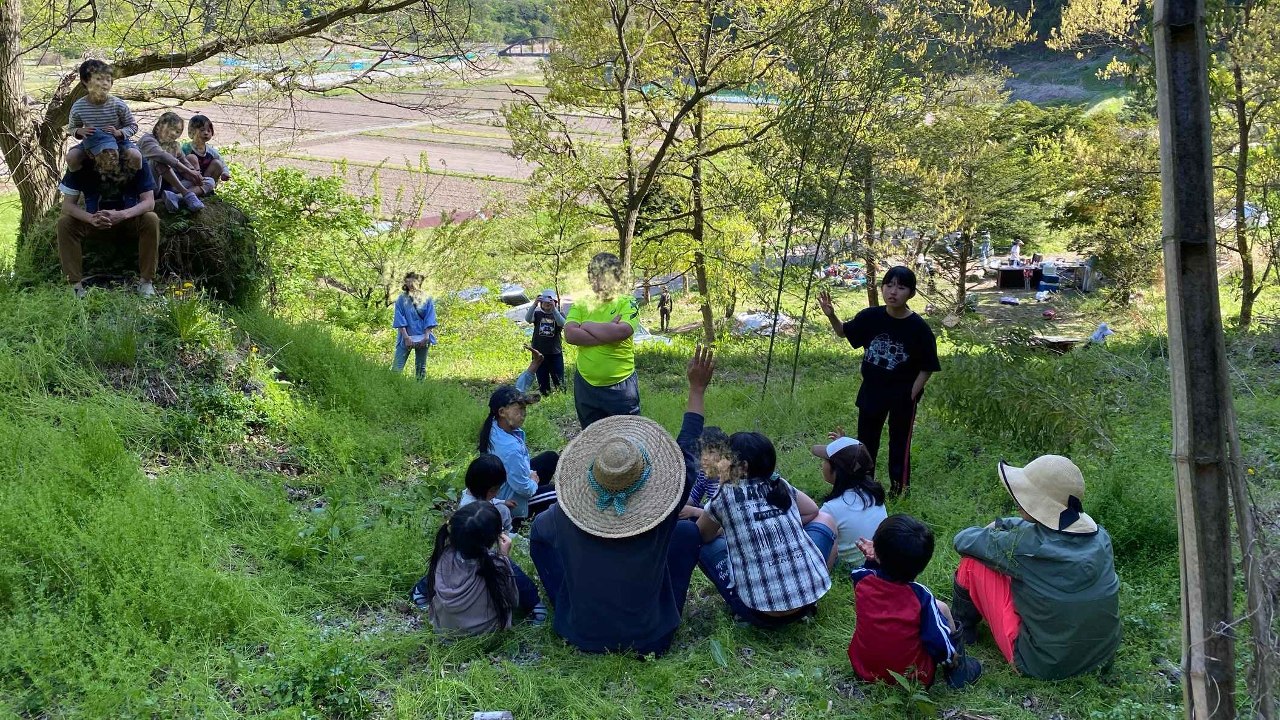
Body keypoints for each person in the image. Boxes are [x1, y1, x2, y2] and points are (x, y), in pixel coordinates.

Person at [529, 346, 714, 655]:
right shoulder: (666, 511)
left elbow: (538, 535)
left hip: (580, 634)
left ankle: (569, 606)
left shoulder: (563, 514)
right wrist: (696, 390)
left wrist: (563, 590)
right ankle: (666, 613)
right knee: (686, 533)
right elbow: (689, 451)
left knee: (543, 533)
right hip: (650, 640)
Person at [951, 456, 1121, 680]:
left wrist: (992, 531)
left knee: (971, 564)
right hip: (1101, 656)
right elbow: (1052, 527)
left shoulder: (1027, 546)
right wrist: (1008, 523)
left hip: (1041, 664)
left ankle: (963, 630)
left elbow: (963, 540)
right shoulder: (1101, 537)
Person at [818, 266, 940, 497]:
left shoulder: (919, 328)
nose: (893, 292)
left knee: (899, 444)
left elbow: (928, 366)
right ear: (882, 288)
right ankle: (865, 487)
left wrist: (912, 393)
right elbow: (843, 332)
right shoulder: (870, 317)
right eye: (889, 285)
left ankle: (899, 490)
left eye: (901, 287)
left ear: (911, 293)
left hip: (902, 395)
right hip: (872, 391)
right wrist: (831, 314)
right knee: (866, 443)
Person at [696, 432, 837, 628]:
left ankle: (741, 612)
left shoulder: (724, 495)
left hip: (758, 613)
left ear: (743, 466)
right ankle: (811, 587)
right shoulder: (779, 484)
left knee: (697, 543)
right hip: (806, 603)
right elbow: (813, 511)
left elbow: (702, 534)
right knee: (826, 519)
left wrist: (729, 531)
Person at [848, 515, 982, 688]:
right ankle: (958, 670)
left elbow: (866, 572)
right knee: (942, 608)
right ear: (922, 565)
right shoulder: (921, 596)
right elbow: (936, 638)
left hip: (864, 669)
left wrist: (873, 559)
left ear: (877, 554)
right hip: (911, 679)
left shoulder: (861, 579)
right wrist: (948, 655)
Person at [410, 502, 545, 635]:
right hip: (487, 632)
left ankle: (420, 592)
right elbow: (511, 598)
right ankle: (536, 606)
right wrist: (504, 557)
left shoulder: (444, 555)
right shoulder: (497, 564)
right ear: (494, 538)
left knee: (445, 570)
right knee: (509, 568)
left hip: (445, 630)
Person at [56, 136, 161, 298]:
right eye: (103, 153)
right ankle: (75, 285)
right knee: (65, 223)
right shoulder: (79, 167)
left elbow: (149, 202)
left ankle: (146, 282)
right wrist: (91, 219)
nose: (110, 156)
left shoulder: (135, 162)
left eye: (113, 150)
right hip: (95, 221)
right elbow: (67, 206)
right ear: (90, 154)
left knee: (151, 219)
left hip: (127, 219)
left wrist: (122, 214)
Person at [564, 252, 641, 428]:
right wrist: (607, 332)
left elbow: (622, 331)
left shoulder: (627, 302)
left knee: (628, 436)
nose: (598, 282)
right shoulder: (582, 304)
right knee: (592, 437)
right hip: (586, 385)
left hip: (621, 386)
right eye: (594, 276)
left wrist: (587, 325)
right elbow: (570, 334)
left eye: (604, 276)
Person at [478, 385, 559, 527]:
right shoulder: (509, 449)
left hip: (505, 484)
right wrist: (533, 481)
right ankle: (521, 520)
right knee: (558, 494)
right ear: (502, 412)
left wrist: (529, 474)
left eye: (524, 409)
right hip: (511, 502)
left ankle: (539, 497)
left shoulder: (494, 425)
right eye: (519, 409)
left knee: (550, 458)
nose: (524, 414)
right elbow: (524, 489)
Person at [811, 434, 887, 567]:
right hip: (875, 558)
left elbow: (813, 543)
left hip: (848, 566)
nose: (823, 465)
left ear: (836, 469)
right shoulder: (873, 494)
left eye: (825, 460)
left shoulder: (832, 508)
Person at [64, 59, 143, 173]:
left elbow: (133, 126)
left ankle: (138, 181)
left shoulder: (118, 104)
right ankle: (77, 182)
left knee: (136, 156)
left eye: (108, 79)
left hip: (118, 141)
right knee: (72, 157)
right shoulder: (78, 107)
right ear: (85, 81)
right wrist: (79, 131)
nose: (105, 83)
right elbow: (71, 128)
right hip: (92, 142)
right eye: (99, 79)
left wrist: (119, 132)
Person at [137, 112, 209, 212]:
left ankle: (176, 197)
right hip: (149, 187)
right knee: (159, 162)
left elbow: (183, 160)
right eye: (172, 128)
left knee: (209, 181)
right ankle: (186, 194)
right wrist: (189, 171)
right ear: (159, 126)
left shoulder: (174, 145)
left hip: (170, 187)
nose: (174, 133)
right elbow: (163, 156)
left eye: (178, 131)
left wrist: (194, 174)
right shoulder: (147, 140)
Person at [392, 272, 436, 380]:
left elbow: (430, 318)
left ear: (419, 282)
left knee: (421, 368)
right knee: (396, 368)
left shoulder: (427, 298)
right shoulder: (401, 299)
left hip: (423, 337)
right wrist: (406, 337)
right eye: (408, 282)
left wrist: (426, 336)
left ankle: (419, 388)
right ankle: (393, 386)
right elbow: (399, 318)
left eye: (413, 282)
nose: (411, 285)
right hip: (405, 337)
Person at [458, 454, 516, 533]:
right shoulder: (470, 509)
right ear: (481, 489)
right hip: (482, 532)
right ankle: (508, 534)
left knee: (503, 509)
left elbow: (491, 500)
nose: (496, 494)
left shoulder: (476, 492)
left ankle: (509, 531)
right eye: (493, 490)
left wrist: (503, 502)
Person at [525, 290, 566, 394]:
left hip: (555, 353)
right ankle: (546, 395)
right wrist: (534, 304)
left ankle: (562, 396)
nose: (547, 304)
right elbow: (528, 319)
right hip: (539, 354)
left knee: (559, 380)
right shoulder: (537, 314)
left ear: (555, 302)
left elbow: (562, 324)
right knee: (542, 381)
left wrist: (554, 310)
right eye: (545, 301)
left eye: (550, 301)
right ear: (541, 303)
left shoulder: (559, 314)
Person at [183, 115, 232, 189]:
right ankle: (194, 189)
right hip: (190, 179)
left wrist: (225, 173)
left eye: (209, 130)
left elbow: (223, 164)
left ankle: (208, 189)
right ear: (191, 132)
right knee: (191, 158)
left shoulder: (211, 151)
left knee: (217, 163)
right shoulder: (186, 149)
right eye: (202, 130)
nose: (206, 133)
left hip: (206, 179)